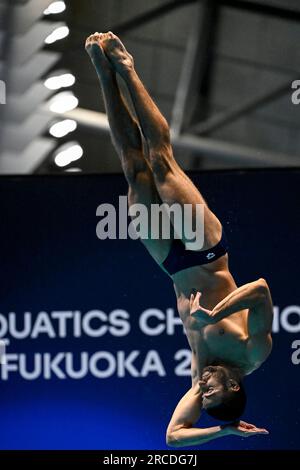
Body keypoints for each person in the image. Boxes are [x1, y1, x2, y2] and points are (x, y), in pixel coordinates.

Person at [85, 31, 273, 447]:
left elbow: (173, 437)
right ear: (234, 387)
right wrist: (216, 312)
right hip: (206, 251)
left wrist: (221, 429)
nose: (203, 386)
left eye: (203, 393)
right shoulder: (252, 354)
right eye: (212, 392)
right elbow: (260, 291)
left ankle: (103, 75)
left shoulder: (200, 375)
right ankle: (126, 67)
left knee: (134, 168)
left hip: (170, 262)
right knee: (160, 161)